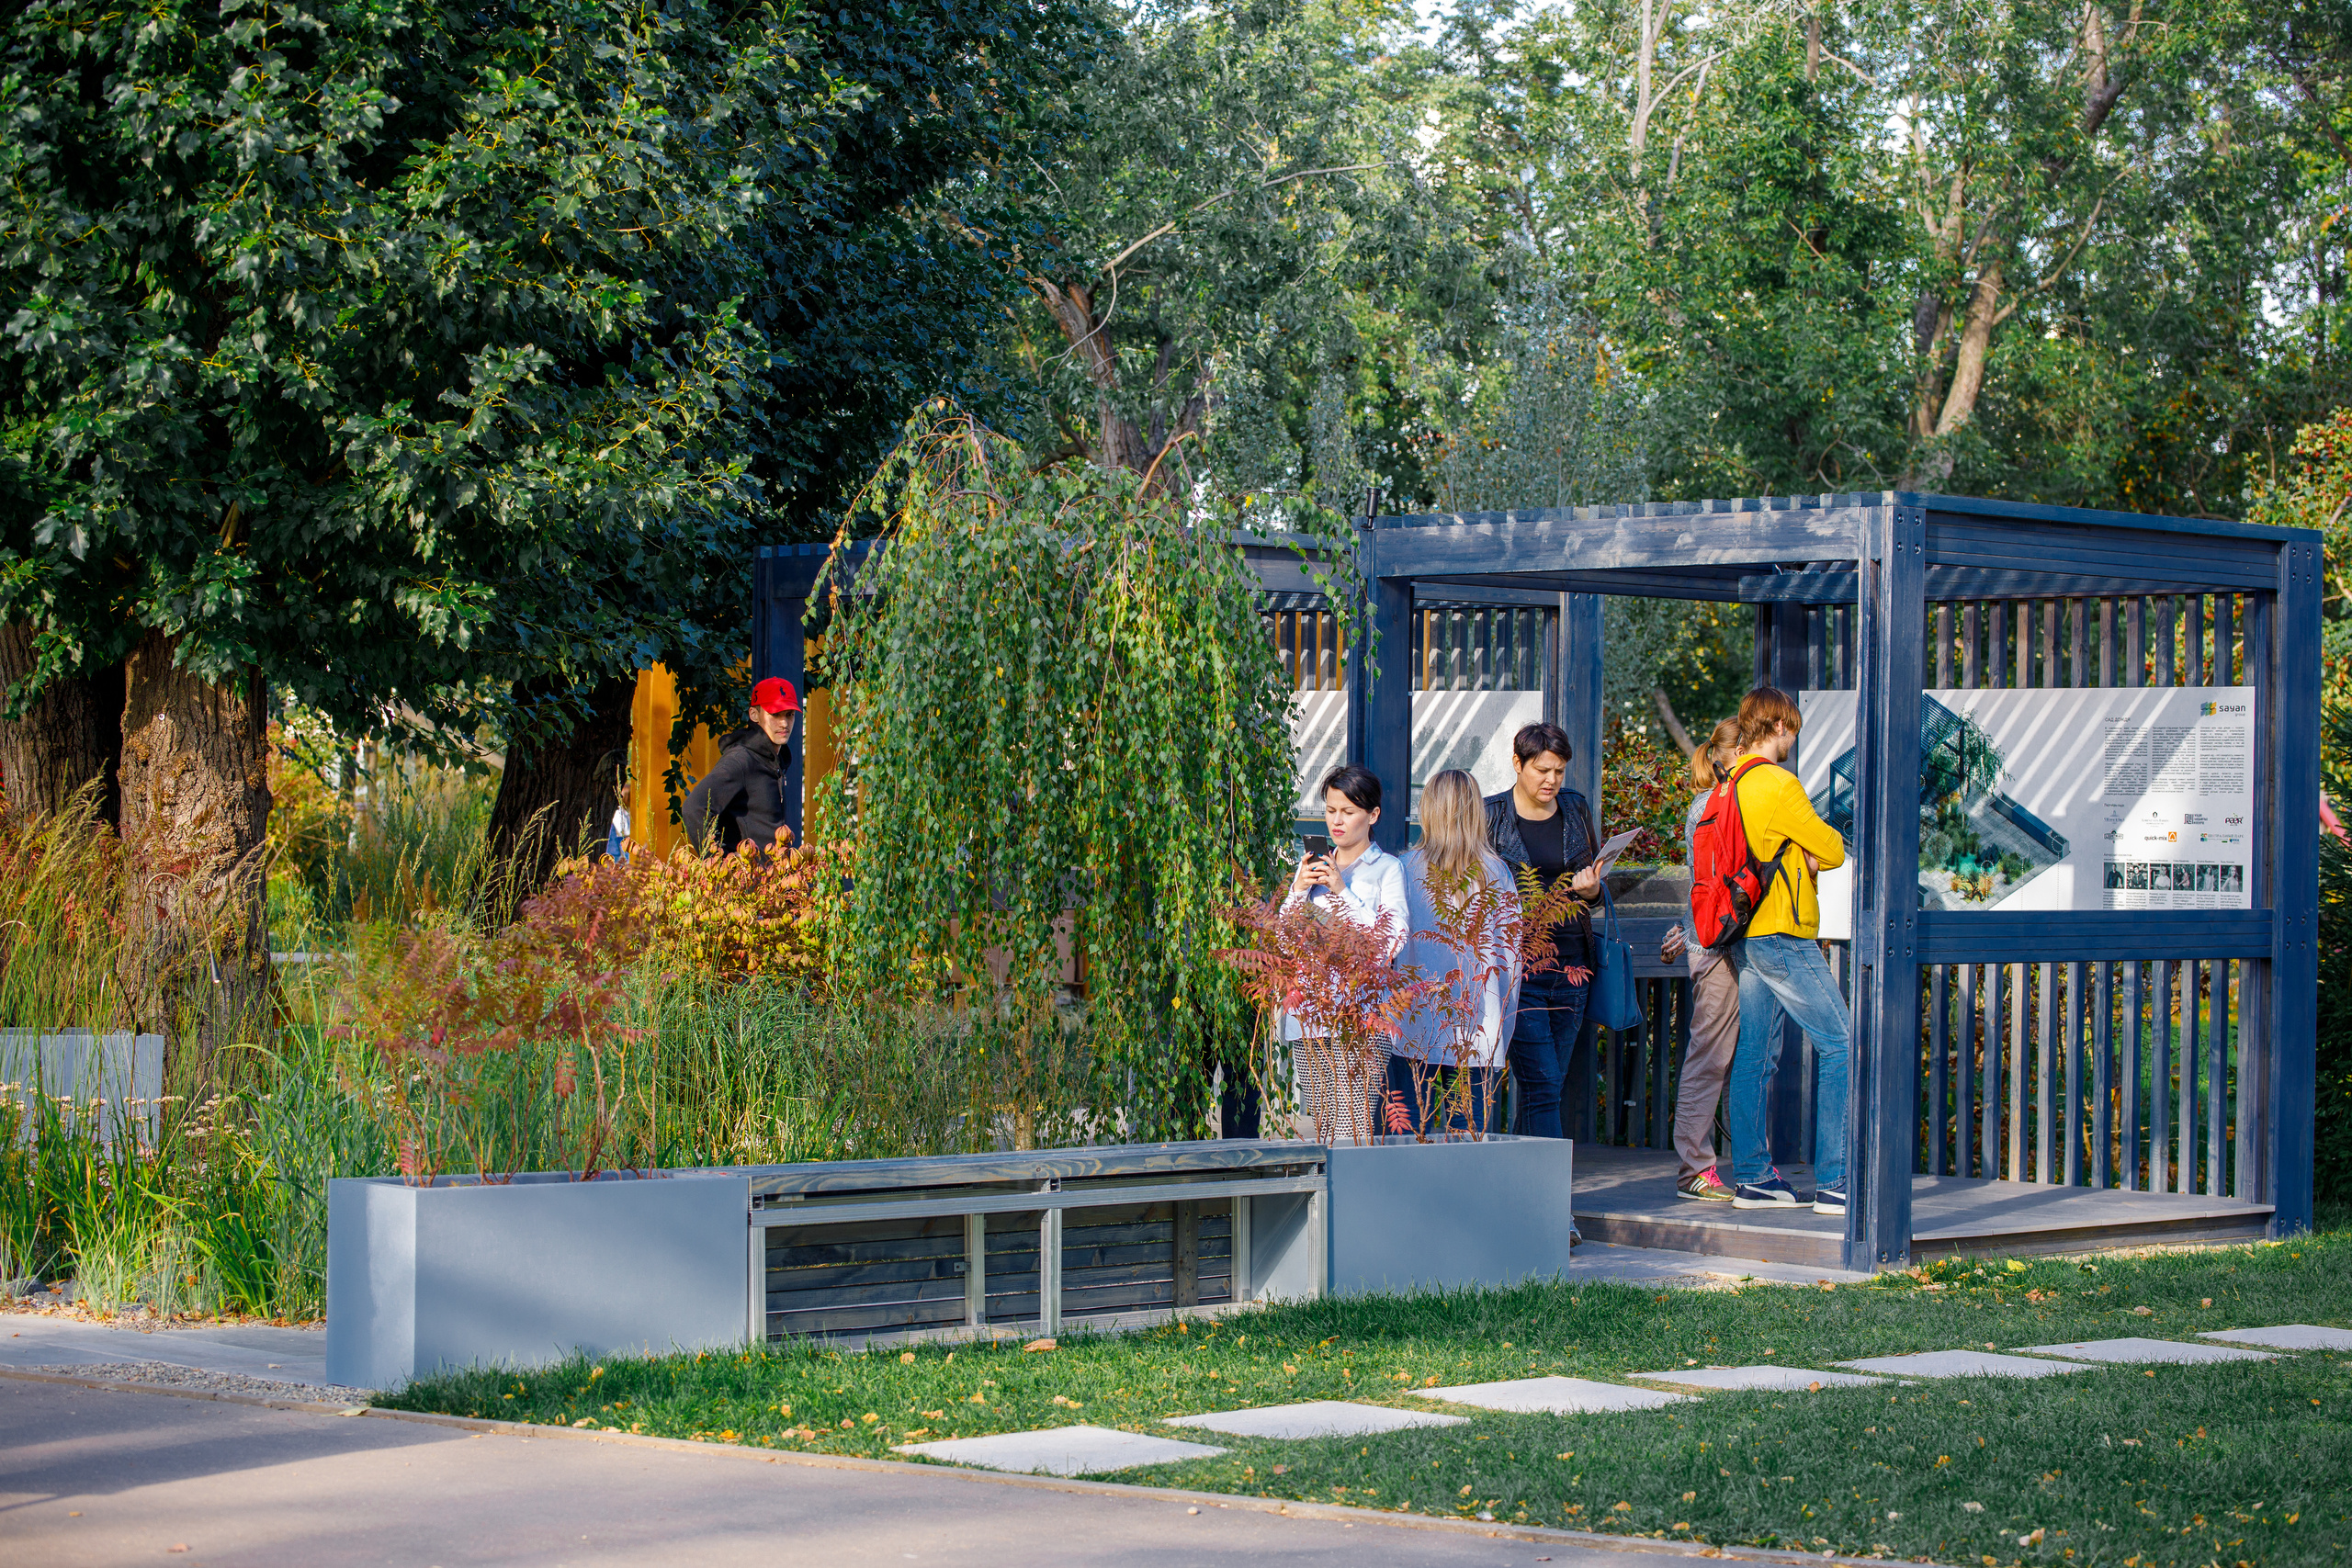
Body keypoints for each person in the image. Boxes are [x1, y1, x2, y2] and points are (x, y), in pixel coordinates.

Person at [1718, 685, 1850, 1215]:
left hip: (1746, 934)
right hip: (1782, 933)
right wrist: (1806, 849)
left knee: (1755, 1055)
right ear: (1777, 726)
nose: (1793, 737)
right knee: (1842, 1044)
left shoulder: (1733, 783)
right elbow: (1833, 848)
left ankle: (1753, 1177)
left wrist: (1796, 848)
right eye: (1791, 727)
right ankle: (1837, 1181)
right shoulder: (1778, 783)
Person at [1484, 722, 1602, 1140]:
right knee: (1543, 1084)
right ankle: (1547, 1178)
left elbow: (1595, 884)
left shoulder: (1575, 808)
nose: (1551, 780)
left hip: (1573, 969)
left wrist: (1592, 891)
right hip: (1521, 971)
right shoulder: (1490, 815)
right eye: (1542, 770)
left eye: (1559, 771)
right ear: (1518, 764)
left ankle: (1525, 1173)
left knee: (1546, 1088)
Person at [1282, 763, 1409, 1136]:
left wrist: (1342, 891)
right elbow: (1285, 940)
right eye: (1330, 810)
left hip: (1362, 1019)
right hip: (1311, 1016)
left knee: (1352, 1127)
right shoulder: (1311, 868)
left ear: (1373, 815)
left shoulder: (1387, 869)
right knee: (1324, 1127)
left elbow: (1391, 941)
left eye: (1348, 811)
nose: (1337, 821)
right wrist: (1298, 891)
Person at [1392, 770, 1519, 1136]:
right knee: (1467, 1136)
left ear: (1428, 811)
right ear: (1475, 812)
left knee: (1406, 1131)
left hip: (1411, 1027)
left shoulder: (1403, 870)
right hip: (1476, 1030)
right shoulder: (1497, 874)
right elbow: (1510, 960)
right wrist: (1502, 1026)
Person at [1659, 718, 1743, 1202]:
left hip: (1715, 943)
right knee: (1709, 1058)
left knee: (1730, 1059)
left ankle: (1741, 1166)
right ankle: (1694, 1168)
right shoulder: (1715, 805)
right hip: (1718, 948)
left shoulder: (1709, 803)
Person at [681, 676, 799, 853]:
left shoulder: (775, 761)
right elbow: (694, 808)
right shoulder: (741, 760)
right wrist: (718, 861)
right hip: (747, 871)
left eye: (789, 714)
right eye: (775, 714)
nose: (784, 723)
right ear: (754, 714)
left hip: (774, 869)